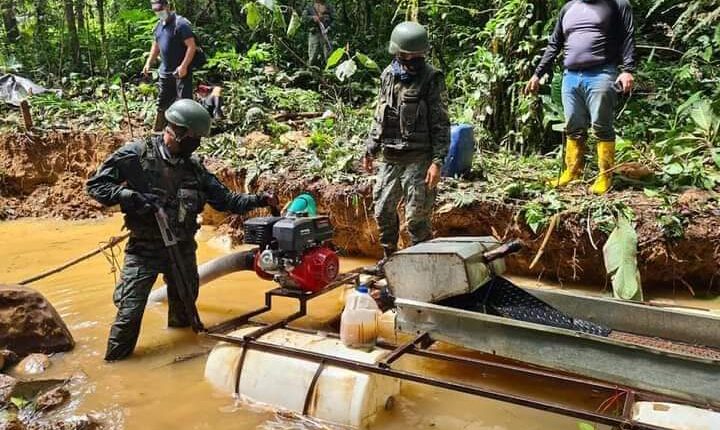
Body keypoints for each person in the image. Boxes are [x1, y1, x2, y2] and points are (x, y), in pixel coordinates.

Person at [86, 99, 279, 361]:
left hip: (182, 249)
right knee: (129, 314)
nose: (196, 143)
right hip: (144, 249)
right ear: (175, 131)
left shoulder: (194, 168)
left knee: (185, 313)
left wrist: (259, 200)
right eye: (193, 137)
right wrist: (130, 196)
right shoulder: (136, 155)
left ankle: (180, 357)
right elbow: (97, 186)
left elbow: (226, 201)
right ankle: (115, 368)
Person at [361, 21, 450, 274]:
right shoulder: (388, 75)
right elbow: (380, 115)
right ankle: (390, 260)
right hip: (390, 156)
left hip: (419, 157)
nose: (411, 59)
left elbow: (441, 122)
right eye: (407, 55)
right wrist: (370, 149)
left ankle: (421, 267)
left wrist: (437, 161)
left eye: (416, 55)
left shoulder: (431, 78)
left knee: (416, 217)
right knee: (382, 210)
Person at [525, 0, 636, 195]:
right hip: (571, 76)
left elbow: (628, 36)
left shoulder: (617, 4)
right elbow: (555, 43)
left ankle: (605, 175)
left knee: (602, 125)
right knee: (573, 125)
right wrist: (538, 73)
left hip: (601, 72)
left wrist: (627, 70)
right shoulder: (568, 8)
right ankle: (573, 171)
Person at [143, 0, 198, 132]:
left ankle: (185, 133)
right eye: (155, 10)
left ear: (167, 6)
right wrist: (148, 62)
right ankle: (157, 131)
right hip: (165, 72)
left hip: (181, 72)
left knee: (184, 104)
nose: (158, 12)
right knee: (162, 103)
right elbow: (156, 46)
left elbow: (192, 47)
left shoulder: (180, 24)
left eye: (160, 9)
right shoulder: (158, 26)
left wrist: (184, 66)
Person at [303, 0, 334, 67]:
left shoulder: (329, 6)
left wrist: (329, 28)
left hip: (326, 34)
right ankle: (311, 73)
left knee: (329, 56)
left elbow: (335, 20)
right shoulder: (310, 6)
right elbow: (303, 18)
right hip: (314, 33)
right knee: (312, 56)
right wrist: (312, 18)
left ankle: (329, 73)